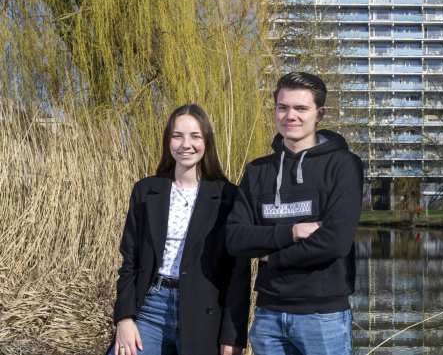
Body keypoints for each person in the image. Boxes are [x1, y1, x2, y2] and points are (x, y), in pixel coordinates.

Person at [225, 72, 363, 355]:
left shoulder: (343, 165)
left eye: (301, 108)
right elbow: (235, 238)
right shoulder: (258, 171)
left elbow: (334, 242)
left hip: (323, 316)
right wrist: (291, 232)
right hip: (268, 316)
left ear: (319, 114)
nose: (291, 116)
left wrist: (270, 256)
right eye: (283, 107)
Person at [110, 104, 251, 355]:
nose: (186, 144)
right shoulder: (146, 191)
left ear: (206, 141)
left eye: (195, 136)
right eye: (178, 136)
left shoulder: (228, 196)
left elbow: (238, 274)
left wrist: (232, 337)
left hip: (203, 311)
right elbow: (130, 260)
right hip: (150, 308)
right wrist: (124, 318)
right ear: (168, 141)